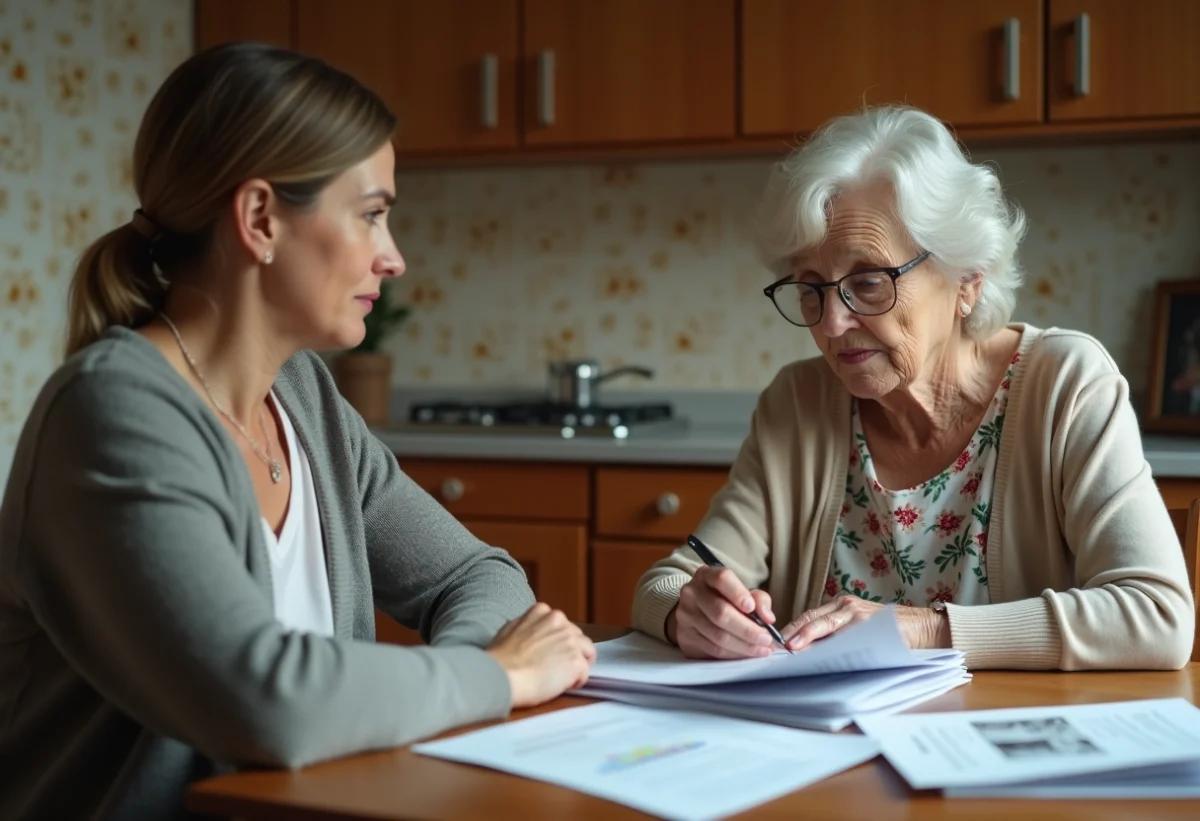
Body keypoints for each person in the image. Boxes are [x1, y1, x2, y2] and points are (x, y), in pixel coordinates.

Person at [0, 43, 594, 821]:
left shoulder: (304, 397)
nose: (395, 259)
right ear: (260, 218)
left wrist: (440, 678)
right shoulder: (113, 414)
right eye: (373, 215)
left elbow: (479, 577)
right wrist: (501, 677)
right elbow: (264, 701)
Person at [632, 105, 1194, 671]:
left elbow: (1157, 616)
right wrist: (691, 612)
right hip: (829, 745)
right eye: (811, 288)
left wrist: (925, 628)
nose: (830, 324)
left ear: (966, 281)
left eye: (869, 282)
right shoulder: (798, 404)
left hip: (999, 740)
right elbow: (666, 582)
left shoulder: (1066, 386)